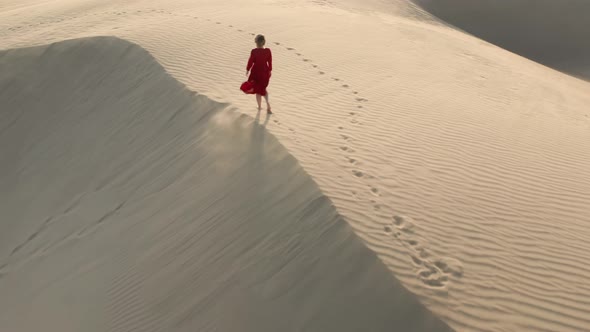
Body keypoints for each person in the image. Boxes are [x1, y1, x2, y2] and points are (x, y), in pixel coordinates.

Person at [245, 34, 272, 114]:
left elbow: (250, 61)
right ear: (264, 42)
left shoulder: (254, 51)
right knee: (263, 89)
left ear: (256, 42)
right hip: (264, 72)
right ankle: (268, 105)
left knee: (257, 90)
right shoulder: (268, 51)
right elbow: (270, 62)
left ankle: (260, 107)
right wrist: (270, 70)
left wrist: (247, 69)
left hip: (256, 72)